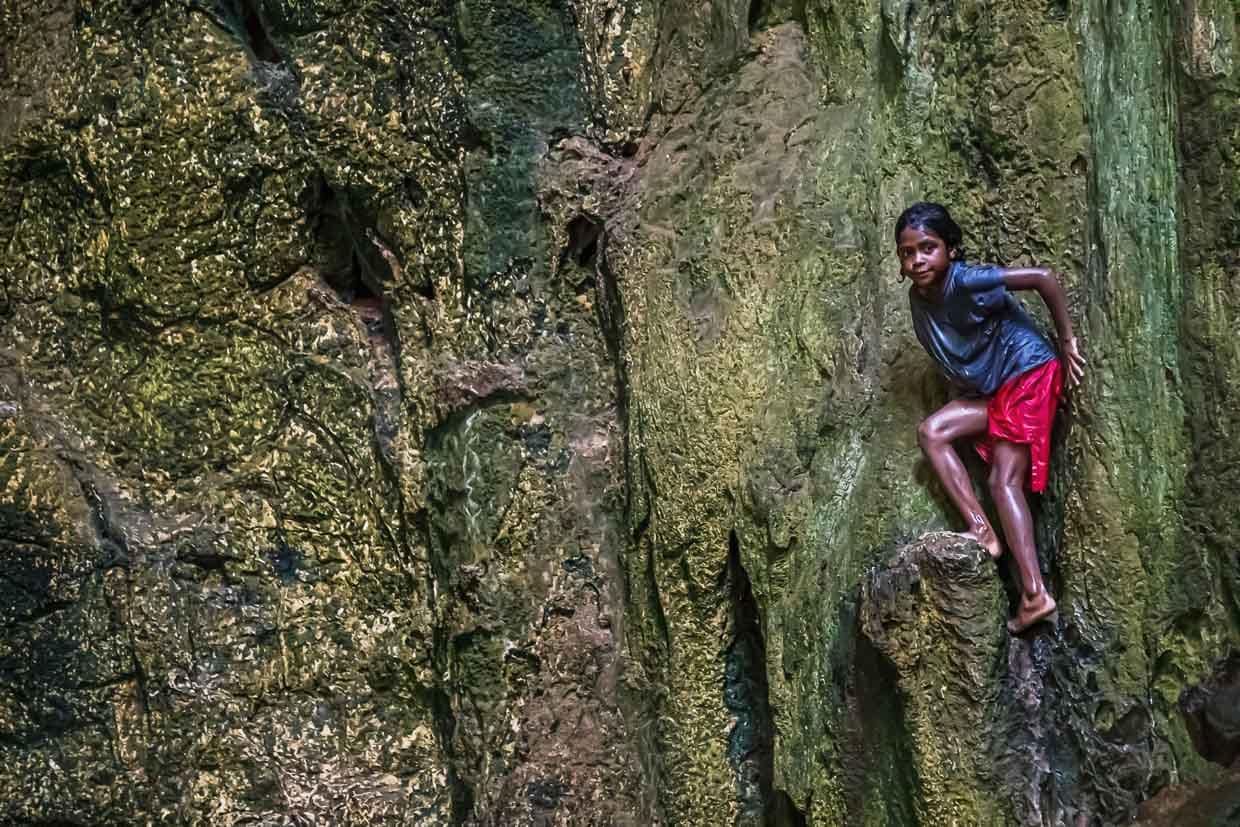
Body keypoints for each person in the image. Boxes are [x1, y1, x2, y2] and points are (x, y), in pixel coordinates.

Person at [895, 202, 1086, 633]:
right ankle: (982, 530)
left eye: (929, 247)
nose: (919, 259)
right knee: (933, 431)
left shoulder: (966, 280)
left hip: (1027, 374)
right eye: (908, 253)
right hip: (995, 390)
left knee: (1003, 481)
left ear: (950, 250)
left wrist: (1067, 341)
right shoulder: (918, 299)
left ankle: (1035, 594)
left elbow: (1042, 278)